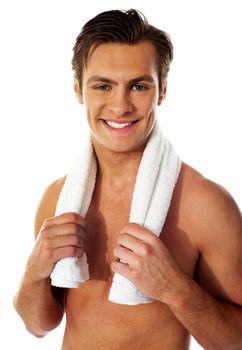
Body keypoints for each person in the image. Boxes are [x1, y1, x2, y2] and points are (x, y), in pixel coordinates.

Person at [13, 9, 242, 350]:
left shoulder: (205, 205)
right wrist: (34, 270)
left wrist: (174, 288)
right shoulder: (58, 199)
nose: (120, 107)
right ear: (79, 91)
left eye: (138, 86)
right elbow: (38, 325)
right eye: (103, 86)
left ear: (161, 90)